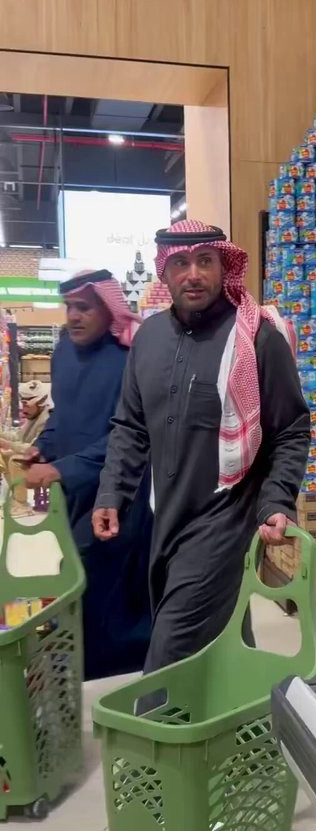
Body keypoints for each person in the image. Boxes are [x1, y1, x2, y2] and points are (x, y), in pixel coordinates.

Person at [92, 219, 310, 673]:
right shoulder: (148, 339)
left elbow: (290, 429)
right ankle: (238, 710)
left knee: (171, 648)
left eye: (205, 261)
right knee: (219, 638)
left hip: (226, 517)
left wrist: (277, 499)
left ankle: (154, 718)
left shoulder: (257, 339)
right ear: (164, 272)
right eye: (181, 264)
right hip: (167, 516)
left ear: (223, 266)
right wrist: (112, 491)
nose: (193, 274)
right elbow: (130, 426)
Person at [21, 270, 153, 678]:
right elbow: (62, 414)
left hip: (117, 495)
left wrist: (61, 468)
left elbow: (129, 435)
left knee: (101, 581)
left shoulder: (129, 360)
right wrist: (43, 445)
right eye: (69, 307)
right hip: (70, 492)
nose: (73, 316)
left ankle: (107, 673)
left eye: (84, 307)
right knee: (70, 574)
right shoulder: (63, 351)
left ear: (109, 310)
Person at [0, 379, 52, 452]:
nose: (24, 411)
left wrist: (6, 444)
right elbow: (18, 436)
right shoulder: (33, 416)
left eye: (27, 406)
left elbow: (33, 449)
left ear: (41, 402)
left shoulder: (48, 421)